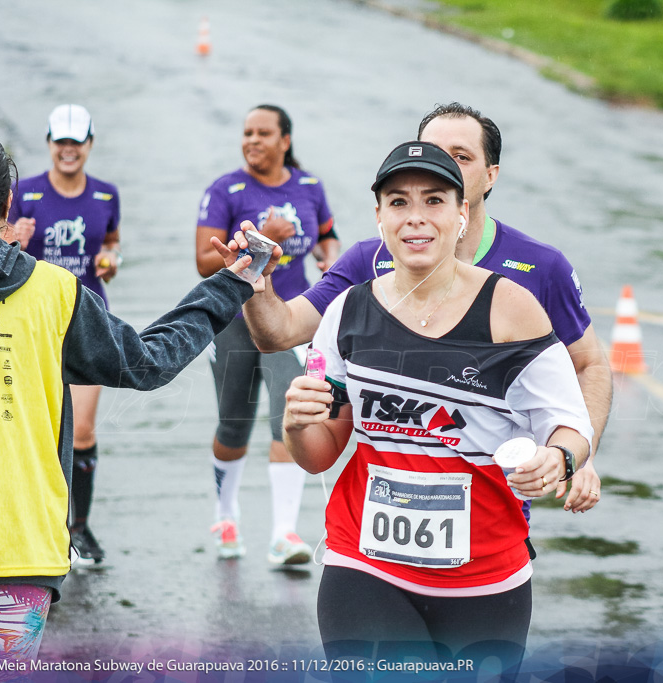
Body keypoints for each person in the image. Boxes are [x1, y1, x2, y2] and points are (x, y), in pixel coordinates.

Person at [217, 141, 592, 669]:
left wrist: (560, 458)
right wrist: (297, 424)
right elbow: (320, 453)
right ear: (379, 217)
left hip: (485, 577)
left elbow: (569, 424)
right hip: (364, 566)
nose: (416, 218)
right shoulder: (349, 311)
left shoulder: (512, 309)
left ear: (462, 214)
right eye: (398, 202)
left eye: (434, 200)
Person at [0, 126, 267, 673]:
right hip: (16, 553)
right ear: (7, 205)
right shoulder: (52, 292)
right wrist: (228, 285)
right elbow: (147, 361)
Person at [240, 103, 610, 514]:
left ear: (490, 177)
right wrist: (256, 286)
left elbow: (588, 364)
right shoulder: (371, 260)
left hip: (490, 511)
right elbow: (279, 331)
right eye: (430, 150)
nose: (441, 163)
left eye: (461, 156)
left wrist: (578, 452)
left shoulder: (539, 266)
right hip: (380, 515)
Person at [195, 104, 340, 565]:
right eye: (247, 133)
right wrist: (262, 239)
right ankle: (225, 513)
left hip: (291, 323)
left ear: (285, 141)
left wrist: (328, 257)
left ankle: (284, 534)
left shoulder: (309, 186)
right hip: (234, 324)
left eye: (263, 133)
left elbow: (328, 233)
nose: (252, 140)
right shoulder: (226, 189)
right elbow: (203, 260)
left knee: (289, 417)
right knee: (233, 425)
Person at [6, 104, 122, 566]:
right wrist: (16, 238)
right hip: (32, 321)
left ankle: (79, 529)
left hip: (84, 317)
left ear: (90, 144)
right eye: (61, 142)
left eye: (78, 142)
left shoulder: (106, 196)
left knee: (83, 430)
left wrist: (111, 261)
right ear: (50, 143)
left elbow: (111, 243)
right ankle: (41, 527)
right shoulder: (23, 192)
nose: (69, 150)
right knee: (37, 429)